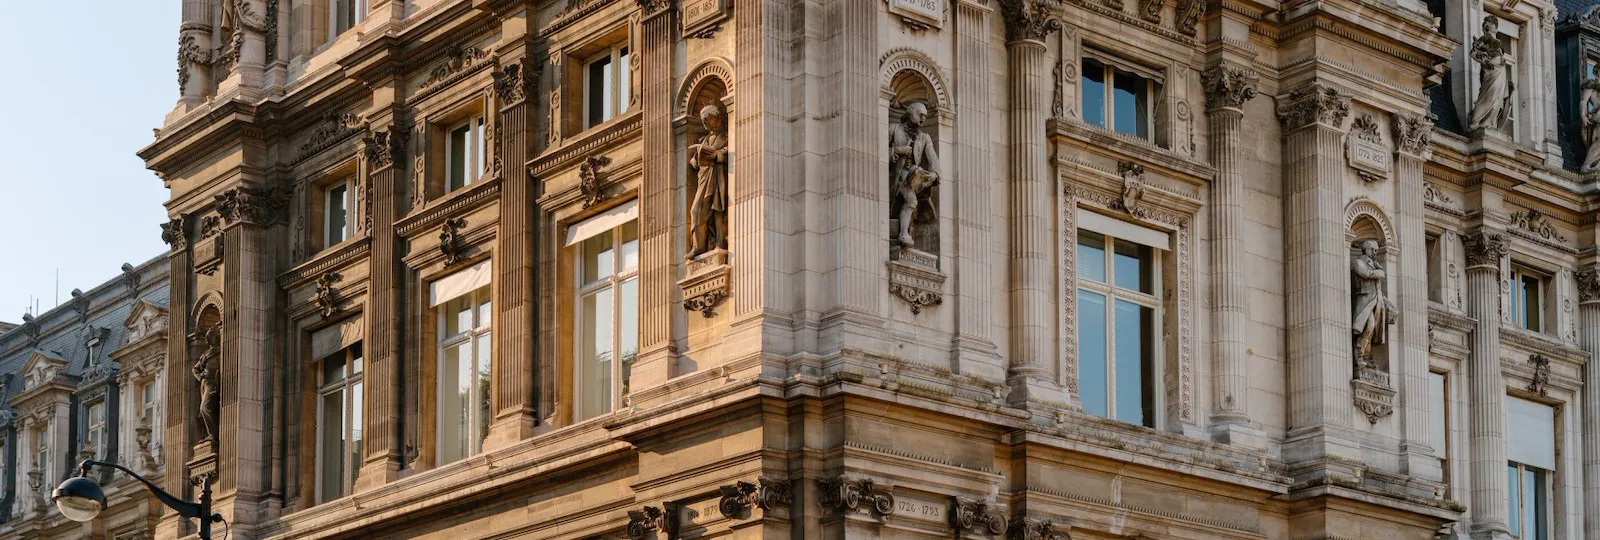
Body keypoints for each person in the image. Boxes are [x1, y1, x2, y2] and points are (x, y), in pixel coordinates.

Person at [890, 101, 939, 249]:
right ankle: (904, 233)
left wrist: (935, 173)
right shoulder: (893, 129)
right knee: (911, 200)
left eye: (925, 116)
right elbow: (876, 150)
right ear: (910, 112)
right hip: (897, 176)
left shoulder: (924, 137)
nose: (923, 118)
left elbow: (932, 157)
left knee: (912, 198)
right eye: (920, 114)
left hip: (912, 177)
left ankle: (906, 231)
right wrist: (897, 150)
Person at [687, 104, 729, 259]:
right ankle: (698, 246)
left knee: (718, 210)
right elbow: (694, 161)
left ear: (714, 118)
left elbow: (728, 153)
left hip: (718, 177)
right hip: (704, 178)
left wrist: (717, 155)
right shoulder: (703, 139)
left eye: (706, 120)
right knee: (696, 210)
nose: (704, 123)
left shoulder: (726, 137)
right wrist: (695, 159)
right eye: (702, 121)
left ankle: (720, 242)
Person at [1468, 16, 1514, 132]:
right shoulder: (1486, 37)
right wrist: (1484, 61)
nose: (1492, 26)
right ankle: (1475, 121)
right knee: (1489, 95)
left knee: (1497, 98)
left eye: (1493, 24)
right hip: (1491, 70)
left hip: (1500, 70)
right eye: (1490, 24)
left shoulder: (1498, 41)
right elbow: (1473, 53)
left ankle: (1488, 122)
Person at [1351, 240, 1393, 367]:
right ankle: (1359, 354)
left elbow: (1378, 290)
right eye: (1373, 250)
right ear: (1366, 249)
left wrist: (1388, 304)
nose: (1375, 253)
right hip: (1364, 301)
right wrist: (1380, 271)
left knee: (1372, 329)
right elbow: (1366, 273)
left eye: (1376, 251)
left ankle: (1366, 355)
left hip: (1376, 302)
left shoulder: (1375, 265)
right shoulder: (1358, 262)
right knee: (1368, 325)